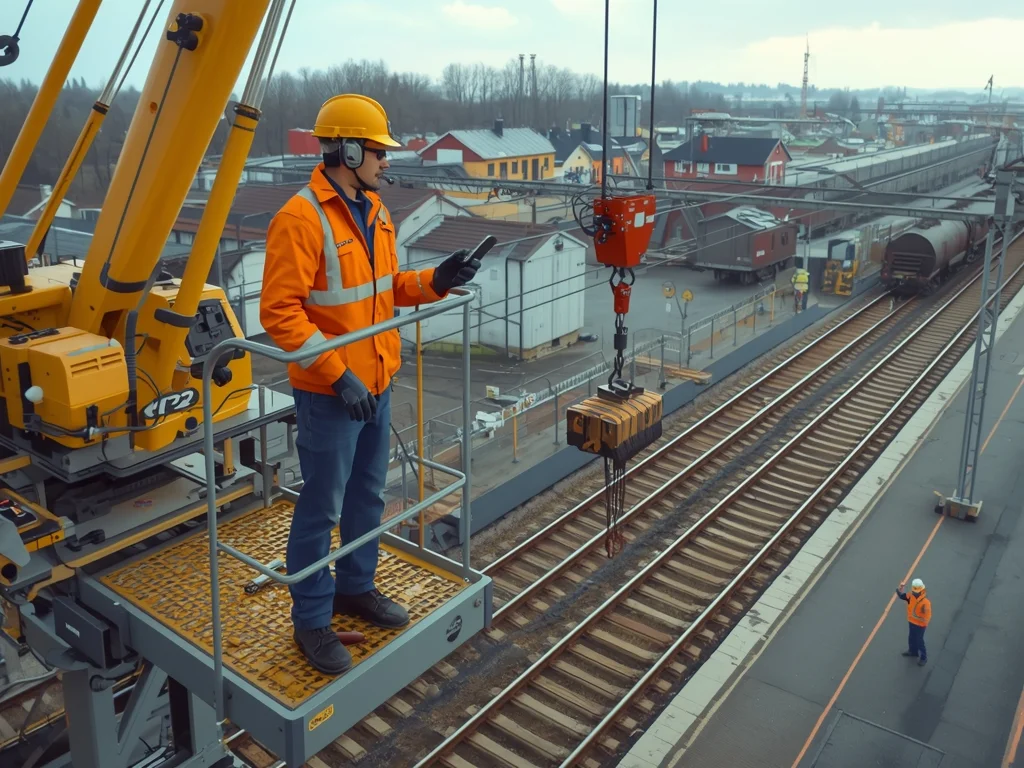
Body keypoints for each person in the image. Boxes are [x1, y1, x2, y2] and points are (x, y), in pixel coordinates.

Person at [260, 94, 482, 675]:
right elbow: (280, 313)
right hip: (332, 395)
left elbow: (384, 291)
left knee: (367, 498)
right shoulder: (301, 218)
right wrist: (339, 376)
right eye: (379, 151)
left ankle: (354, 588)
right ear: (349, 149)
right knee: (322, 506)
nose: (387, 161)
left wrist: (435, 280)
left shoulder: (376, 212)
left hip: (375, 386)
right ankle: (311, 619)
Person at [896, 578, 931, 666]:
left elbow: (927, 617)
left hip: (920, 625)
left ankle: (924, 657)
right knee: (911, 638)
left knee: (919, 641)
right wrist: (900, 588)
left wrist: (921, 622)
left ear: (921, 590)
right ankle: (913, 651)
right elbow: (901, 596)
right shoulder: (910, 597)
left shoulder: (925, 603)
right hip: (911, 622)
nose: (915, 592)